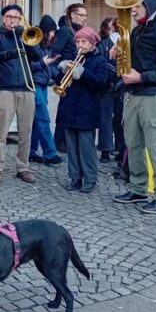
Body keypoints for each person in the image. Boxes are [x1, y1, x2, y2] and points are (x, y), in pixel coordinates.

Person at [112, 0, 156, 215]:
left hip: (153, 97)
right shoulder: (136, 31)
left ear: (150, 7)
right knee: (133, 146)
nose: (132, 11)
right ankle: (138, 189)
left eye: (137, 6)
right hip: (132, 95)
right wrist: (119, 52)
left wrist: (141, 77)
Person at [0, 4, 41, 183]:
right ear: (3, 18)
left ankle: (23, 168)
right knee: (1, 132)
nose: (13, 20)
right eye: (10, 17)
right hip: (6, 89)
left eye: (17, 17)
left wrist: (26, 39)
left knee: (26, 132)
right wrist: (11, 53)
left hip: (27, 88)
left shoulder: (24, 35)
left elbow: (37, 56)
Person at [56, 27, 108, 192]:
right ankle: (74, 177)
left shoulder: (100, 61)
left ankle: (90, 179)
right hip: (69, 108)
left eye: (84, 41)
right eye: (78, 41)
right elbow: (58, 81)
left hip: (87, 110)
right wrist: (62, 71)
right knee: (71, 148)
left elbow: (101, 83)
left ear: (92, 43)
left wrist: (83, 73)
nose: (80, 45)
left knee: (86, 148)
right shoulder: (72, 57)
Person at [52, 4, 87, 152]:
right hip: (65, 73)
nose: (84, 18)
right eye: (81, 15)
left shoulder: (77, 30)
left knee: (71, 108)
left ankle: (67, 140)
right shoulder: (65, 31)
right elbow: (55, 52)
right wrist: (64, 65)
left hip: (75, 75)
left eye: (85, 15)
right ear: (72, 15)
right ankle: (60, 140)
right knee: (64, 109)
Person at [29, 15, 62, 166]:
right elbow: (30, 66)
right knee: (43, 119)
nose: (54, 35)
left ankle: (31, 152)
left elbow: (47, 68)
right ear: (46, 31)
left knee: (37, 121)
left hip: (42, 85)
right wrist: (44, 63)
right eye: (52, 32)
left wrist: (59, 72)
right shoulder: (34, 44)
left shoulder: (46, 46)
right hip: (35, 84)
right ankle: (50, 154)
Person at [96, 17, 118, 163]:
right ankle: (105, 149)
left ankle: (121, 149)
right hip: (107, 85)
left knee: (121, 119)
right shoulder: (102, 44)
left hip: (122, 84)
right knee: (105, 119)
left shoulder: (126, 42)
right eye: (111, 27)